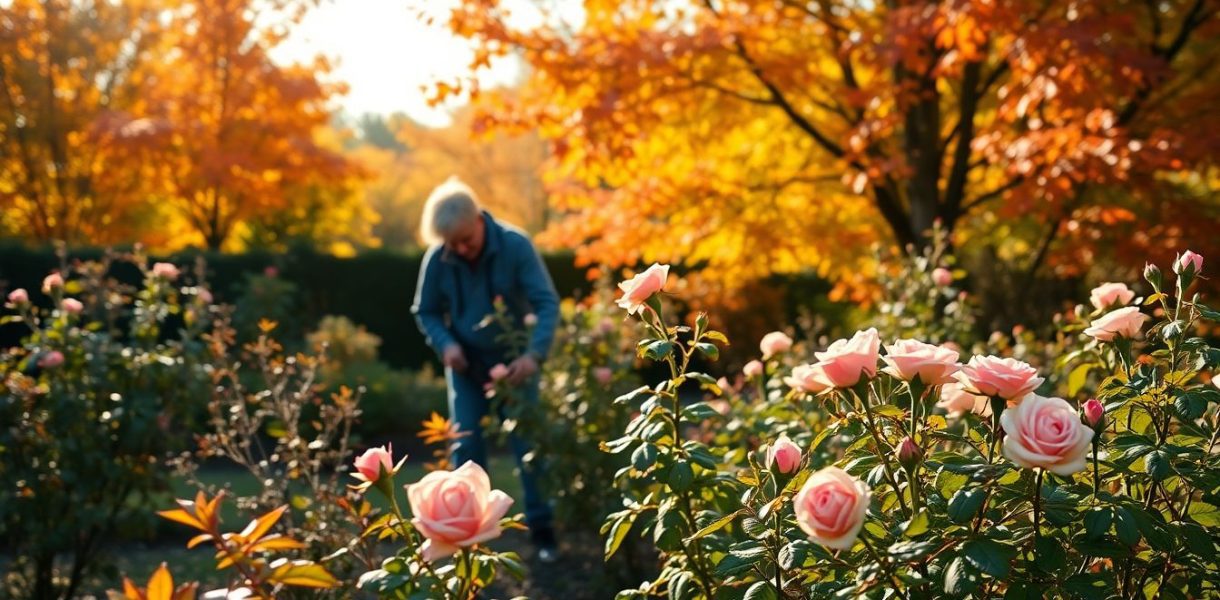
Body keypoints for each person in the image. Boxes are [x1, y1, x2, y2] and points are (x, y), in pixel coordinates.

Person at [411, 177, 561, 562]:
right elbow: (425, 310)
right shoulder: (439, 257)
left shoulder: (516, 245)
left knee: (528, 449)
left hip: (516, 365)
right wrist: (446, 345)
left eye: (465, 241)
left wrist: (533, 355)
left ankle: (542, 531)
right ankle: (465, 542)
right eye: (452, 244)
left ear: (478, 219)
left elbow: (546, 302)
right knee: (468, 450)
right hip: (465, 366)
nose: (460, 249)